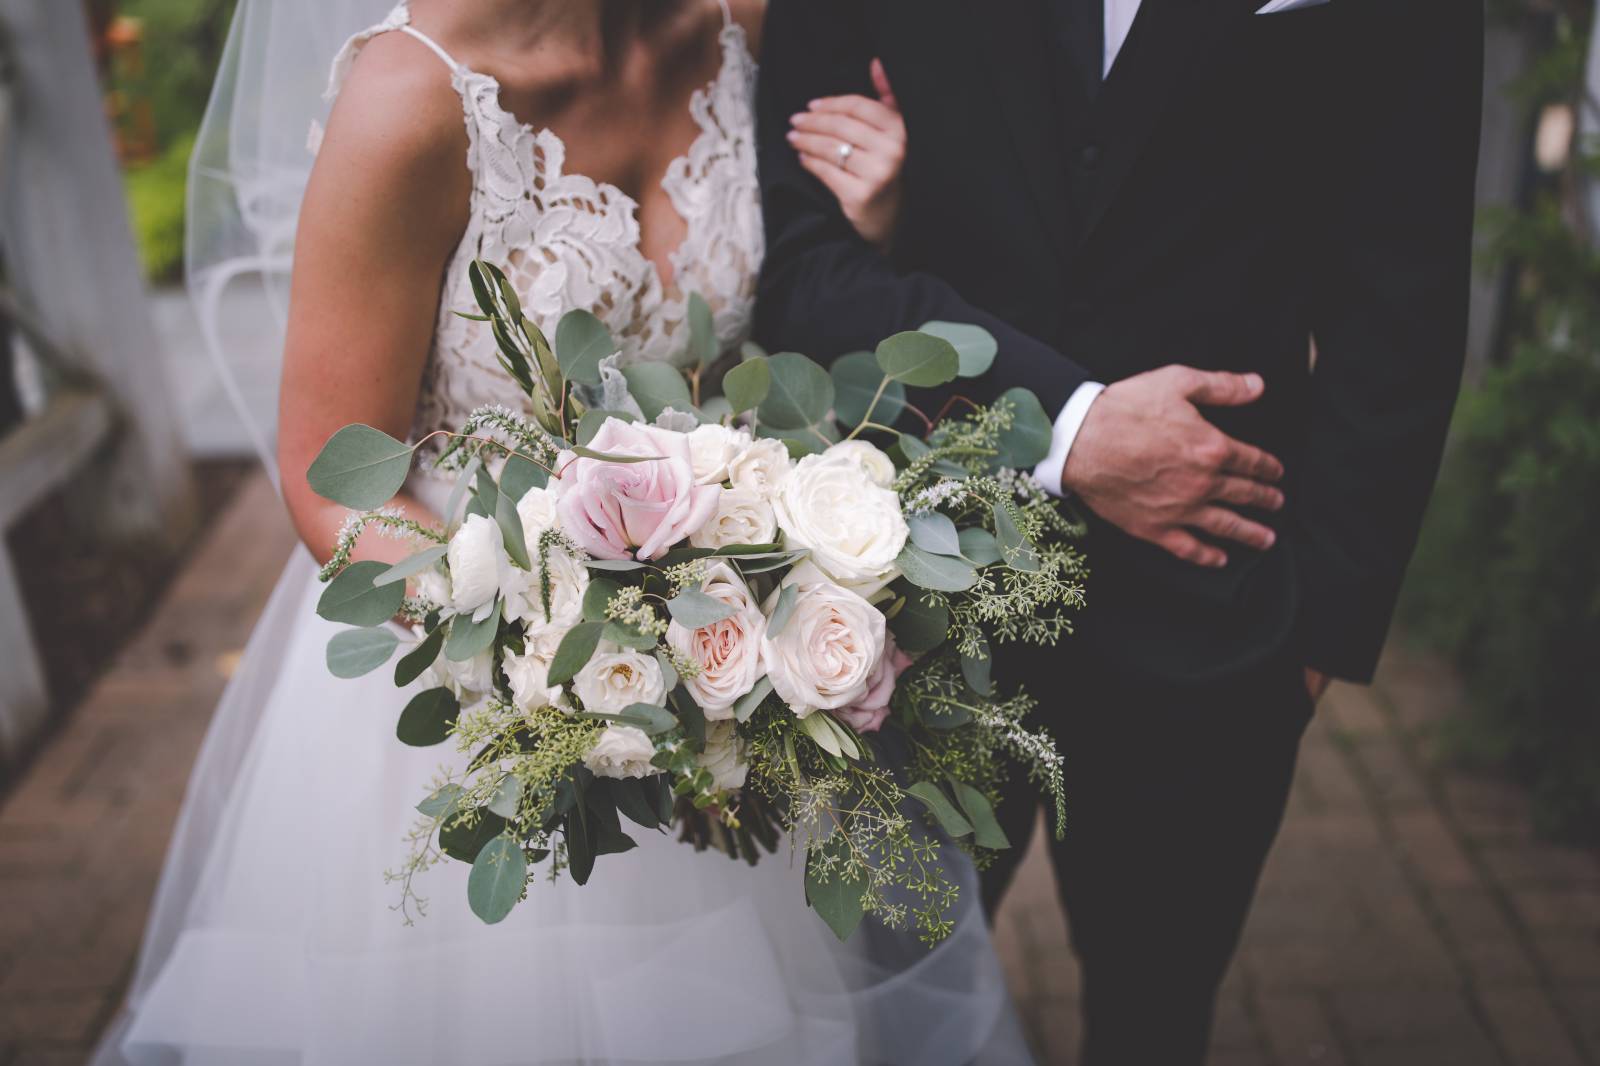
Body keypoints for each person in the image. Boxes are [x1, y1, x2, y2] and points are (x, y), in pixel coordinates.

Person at [94, 2, 1031, 1063]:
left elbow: (754, 337)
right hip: (483, 671)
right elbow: (333, 478)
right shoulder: (409, 102)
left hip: (728, 650)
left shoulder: (740, 26)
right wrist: (563, 657)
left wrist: (864, 231)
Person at [754, 0, 1484, 1062]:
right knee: (884, 1009)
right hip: (904, 599)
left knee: (1154, 1013)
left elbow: (1400, 308)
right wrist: (1069, 426)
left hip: (1218, 610)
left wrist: (1316, 634)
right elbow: (802, 263)